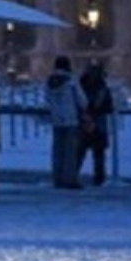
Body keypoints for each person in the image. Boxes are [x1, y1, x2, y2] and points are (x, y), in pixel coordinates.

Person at [45, 56, 89, 189]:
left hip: (56, 119)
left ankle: (57, 177)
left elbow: (46, 98)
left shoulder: (49, 81)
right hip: (70, 119)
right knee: (70, 152)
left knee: (57, 150)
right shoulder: (71, 81)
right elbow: (82, 100)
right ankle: (69, 179)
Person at [79, 61, 115, 186]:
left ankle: (72, 174)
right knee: (98, 154)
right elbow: (109, 106)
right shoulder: (102, 87)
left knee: (80, 152)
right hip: (99, 123)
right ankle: (99, 178)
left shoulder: (81, 85)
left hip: (83, 122)